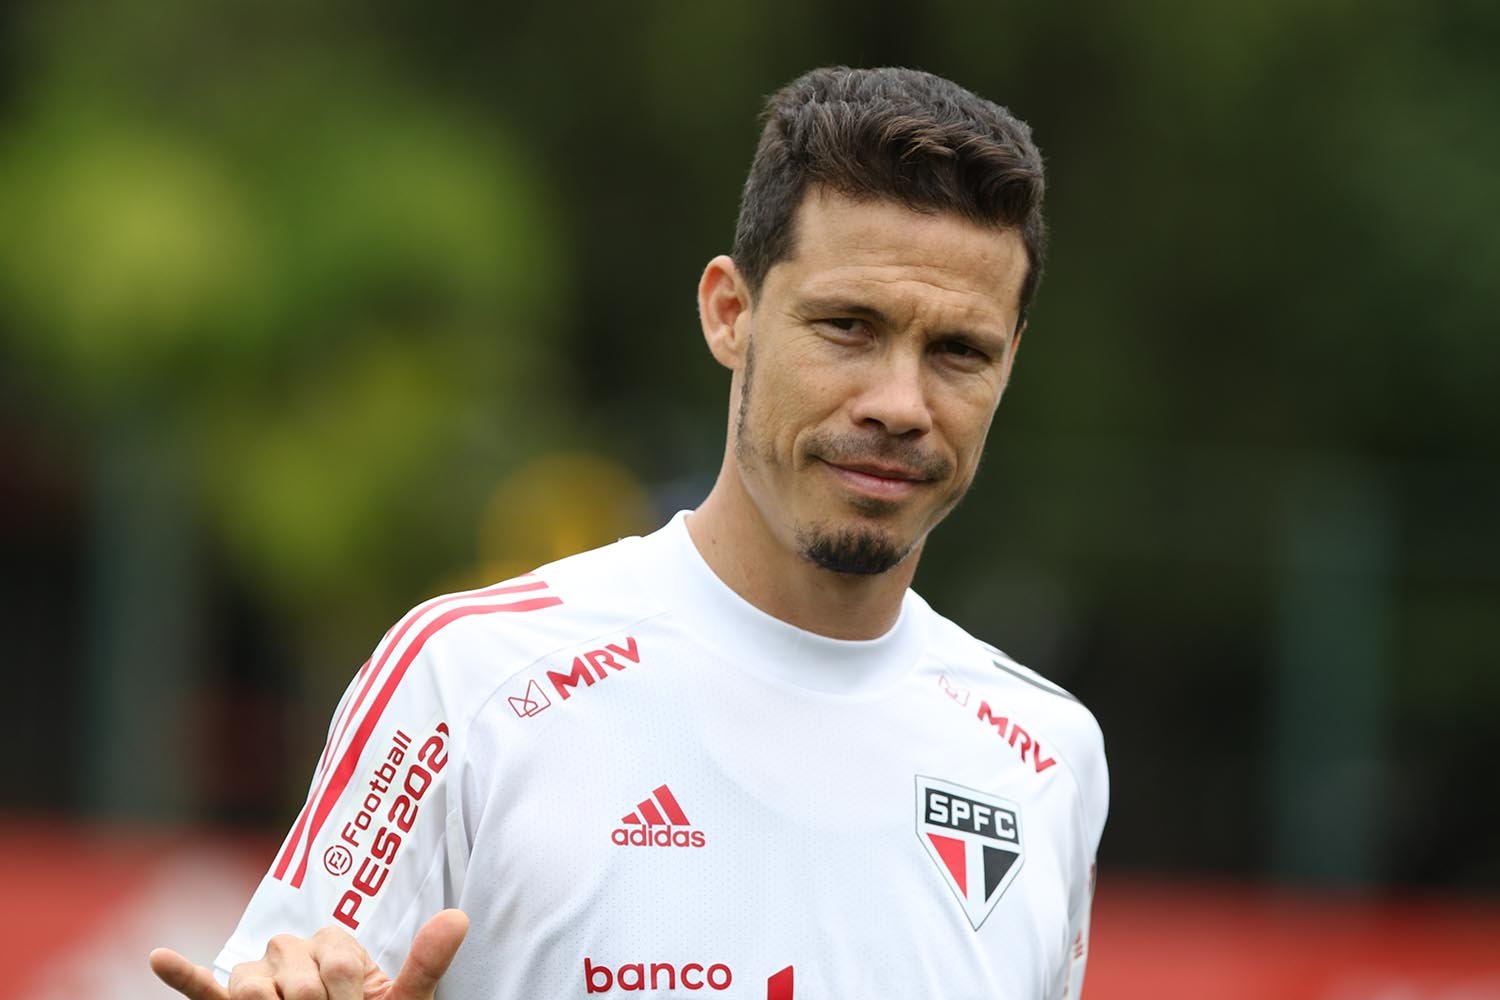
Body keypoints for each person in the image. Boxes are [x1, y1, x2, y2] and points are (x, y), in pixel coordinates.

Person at [150, 65, 1108, 999]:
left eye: (959, 351)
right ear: (730, 314)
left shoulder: (1047, 757)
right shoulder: (473, 682)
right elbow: (294, 977)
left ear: (1010, 362)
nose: (899, 403)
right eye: (848, 326)